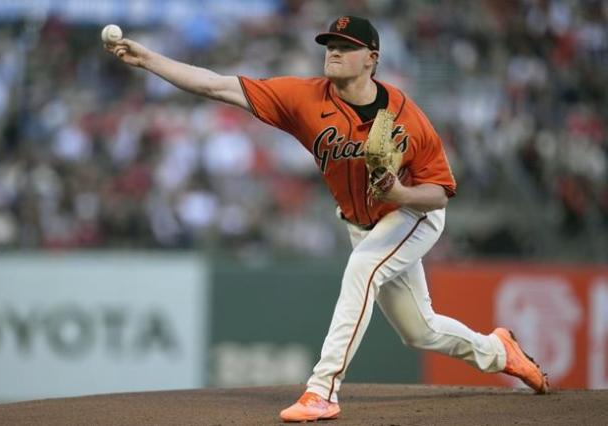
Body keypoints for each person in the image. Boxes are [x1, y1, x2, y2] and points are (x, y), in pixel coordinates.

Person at [105, 16, 549, 423]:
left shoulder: (406, 117)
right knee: (421, 330)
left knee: (363, 269)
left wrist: (401, 193)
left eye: (346, 46)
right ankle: (499, 351)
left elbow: (441, 192)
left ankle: (323, 390)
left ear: (372, 59)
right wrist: (149, 60)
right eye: (330, 44)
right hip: (362, 222)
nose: (333, 51)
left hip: (412, 213)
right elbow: (217, 86)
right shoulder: (303, 97)